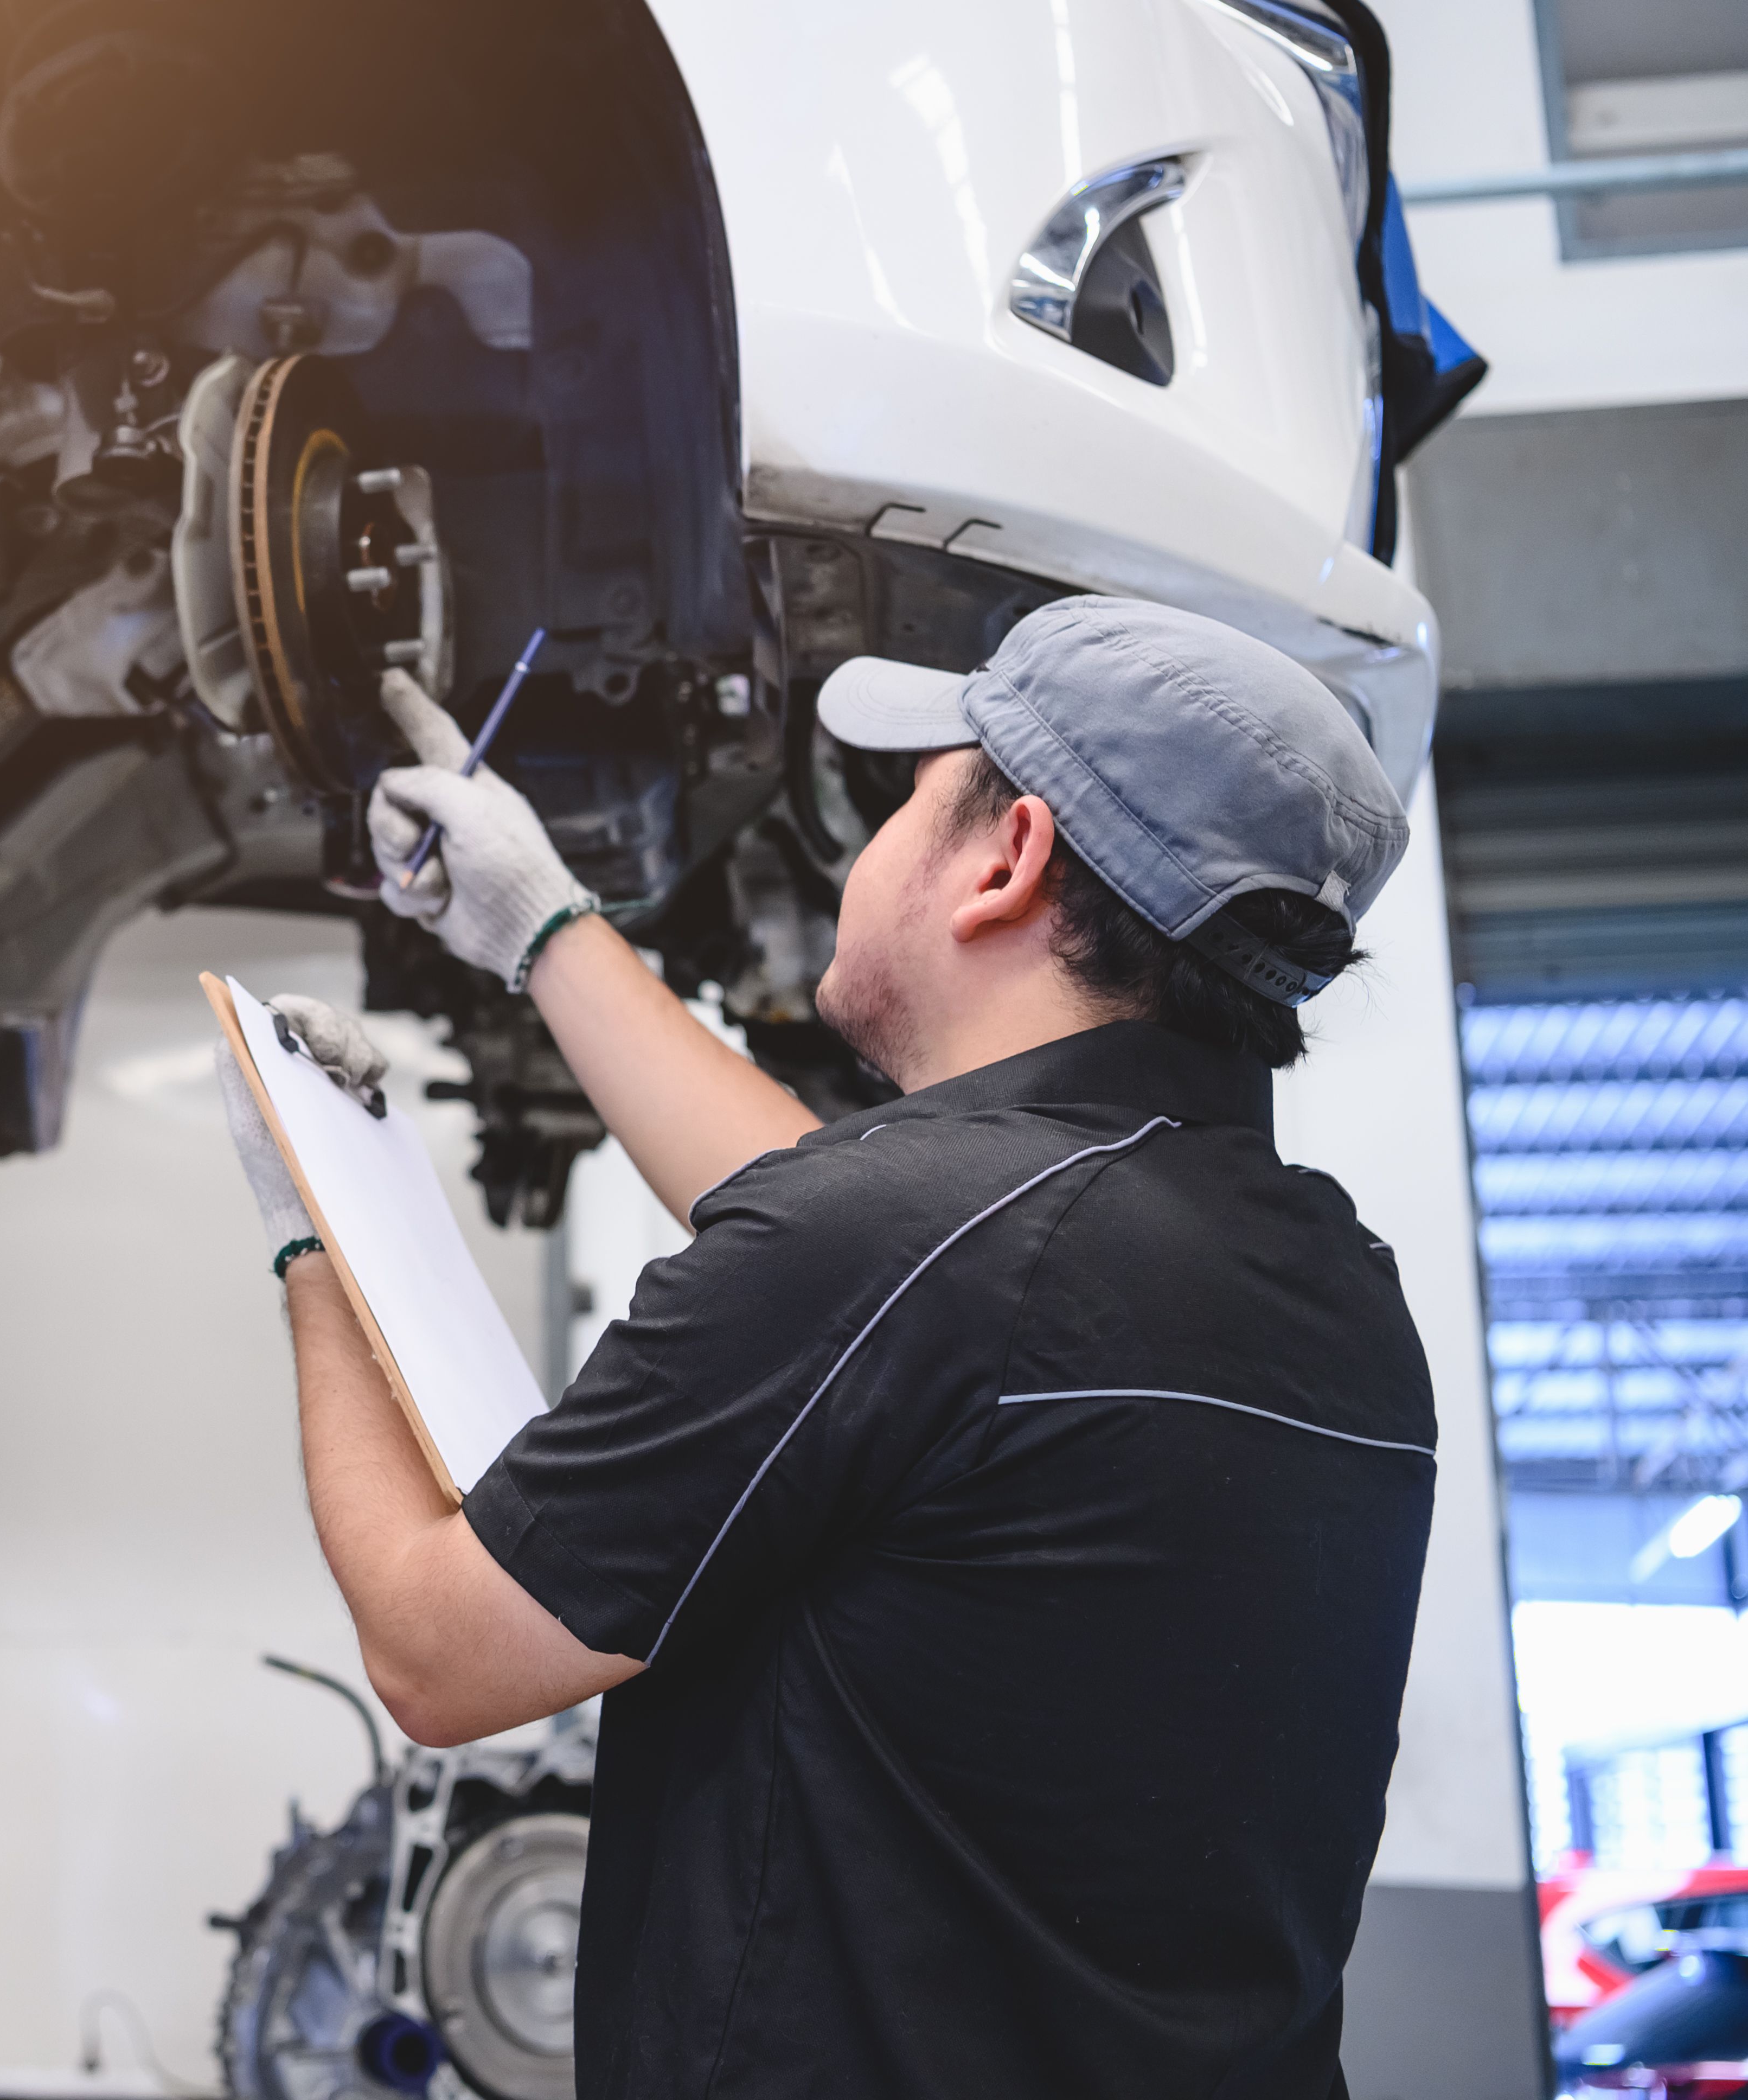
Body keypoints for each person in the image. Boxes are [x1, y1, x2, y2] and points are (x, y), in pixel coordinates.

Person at [221, 597, 1434, 2096]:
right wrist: (536, 924)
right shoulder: (1330, 1290)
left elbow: (431, 1650)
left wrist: (312, 1238)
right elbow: (864, 1261)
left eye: (906, 798)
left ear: (1007, 858)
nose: (867, 844)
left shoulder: (901, 1247)